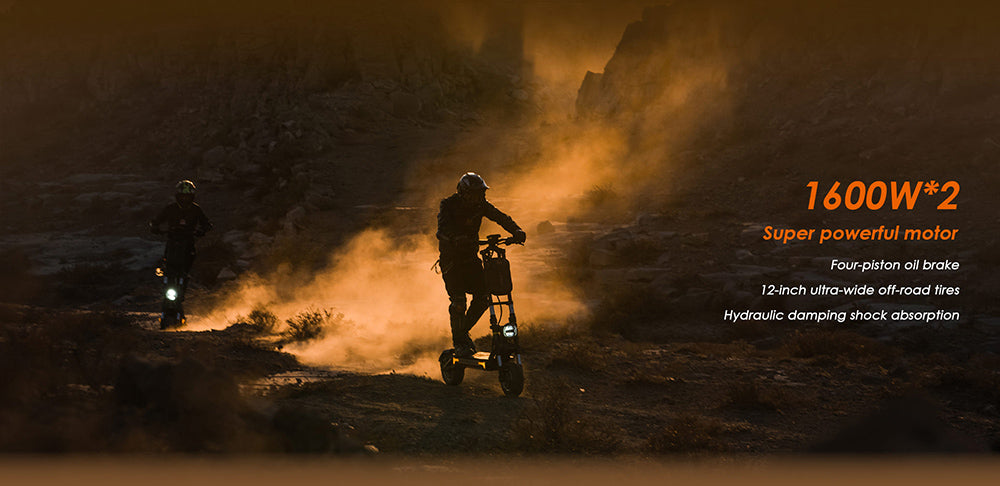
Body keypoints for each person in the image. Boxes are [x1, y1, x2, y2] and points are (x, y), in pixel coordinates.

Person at [437, 173, 526, 357]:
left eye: (481, 194)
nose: (478, 197)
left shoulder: (481, 206)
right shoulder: (448, 205)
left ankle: (461, 335)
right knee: (459, 302)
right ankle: (460, 341)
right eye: (474, 194)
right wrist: (455, 238)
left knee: (484, 297)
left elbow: (500, 217)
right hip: (452, 262)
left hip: (471, 259)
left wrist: (516, 230)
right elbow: (442, 230)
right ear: (463, 193)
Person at [148, 180, 213, 277]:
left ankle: (186, 274)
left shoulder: (196, 209)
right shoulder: (170, 208)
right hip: (172, 238)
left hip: (188, 239)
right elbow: (157, 220)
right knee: (166, 259)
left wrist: (203, 230)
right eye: (182, 196)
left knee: (191, 256)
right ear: (178, 196)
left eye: (187, 196)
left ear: (192, 197)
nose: (185, 199)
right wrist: (154, 227)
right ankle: (164, 271)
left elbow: (206, 223)